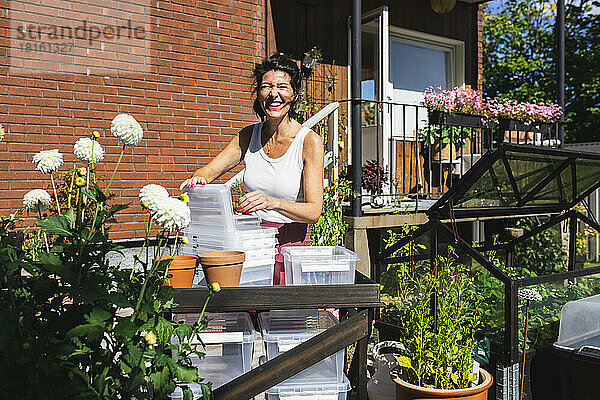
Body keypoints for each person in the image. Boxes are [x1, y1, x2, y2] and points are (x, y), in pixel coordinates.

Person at [180, 53, 324, 285]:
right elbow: (207, 172)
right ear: (258, 94)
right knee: (246, 313)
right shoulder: (248, 136)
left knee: (282, 317)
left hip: (291, 245)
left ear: (294, 94)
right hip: (253, 242)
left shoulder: (309, 142)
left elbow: (314, 211)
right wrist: (197, 182)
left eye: (282, 87)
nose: (273, 94)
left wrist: (271, 202)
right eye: (266, 86)